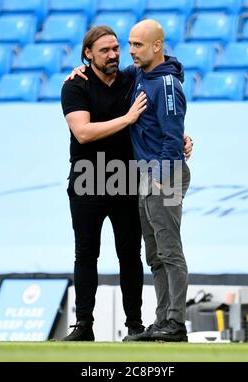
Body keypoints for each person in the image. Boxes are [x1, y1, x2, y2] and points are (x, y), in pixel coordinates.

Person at [61, 25, 193, 341]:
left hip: (136, 178)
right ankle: (86, 325)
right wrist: (129, 119)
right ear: (87, 55)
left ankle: (145, 324)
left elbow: (166, 72)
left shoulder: (132, 77)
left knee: (140, 254)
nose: (117, 54)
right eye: (105, 50)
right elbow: (83, 132)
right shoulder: (76, 85)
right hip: (89, 178)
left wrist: (177, 144)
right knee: (90, 254)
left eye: (118, 48)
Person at [123, 19, 191, 342]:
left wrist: (162, 180)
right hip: (146, 176)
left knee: (169, 250)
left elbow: (172, 137)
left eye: (137, 45)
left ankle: (175, 323)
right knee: (154, 254)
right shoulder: (141, 73)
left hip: (163, 176)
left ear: (157, 46)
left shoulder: (166, 86)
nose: (131, 51)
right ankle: (163, 319)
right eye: (130, 44)